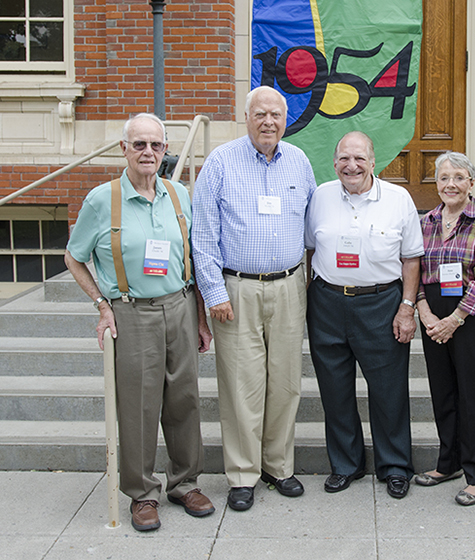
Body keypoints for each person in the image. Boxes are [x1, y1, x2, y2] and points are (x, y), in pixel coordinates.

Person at [64, 113, 215, 532]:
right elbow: (73, 257)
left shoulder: (179, 194)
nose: (148, 152)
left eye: (156, 145)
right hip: (131, 312)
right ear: (123, 149)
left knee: (184, 399)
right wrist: (101, 303)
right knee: (138, 406)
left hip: (181, 305)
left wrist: (200, 318)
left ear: (166, 151)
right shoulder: (102, 200)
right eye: (140, 145)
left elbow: (193, 261)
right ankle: (142, 493)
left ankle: (185, 483)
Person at [191, 86, 316, 512]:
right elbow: (203, 235)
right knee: (242, 386)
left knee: (285, 383)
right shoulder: (221, 163)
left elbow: (311, 228)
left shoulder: (299, 161)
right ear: (246, 118)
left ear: (285, 119)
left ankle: (278, 467)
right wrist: (213, 292)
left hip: (288, 286)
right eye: (260, 114)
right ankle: (243, 474)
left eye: (275, 115)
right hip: (236, 290)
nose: (268, 122)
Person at [305, 131, 424, 499]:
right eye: (343, 158)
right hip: (328, 302)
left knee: (388, 391)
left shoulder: (398, 198)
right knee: (335, 390)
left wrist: (407, 307)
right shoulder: (321, 196)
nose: (351, 166)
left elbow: (411, 258)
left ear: (374, 163)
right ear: (334, 162)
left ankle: (395, 466)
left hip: (381, 303)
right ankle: (346, 464)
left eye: (359, 159)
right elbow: (310, 249)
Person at [414, 152, 475, 506]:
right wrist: (423, 310)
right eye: (444, 178)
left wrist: (455, 319)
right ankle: (447, 462)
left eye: (459, 178)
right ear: (437, 183)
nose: (451, 184)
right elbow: (414, 268)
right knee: (442, 391)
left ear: (471, 183)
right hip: (433, 312)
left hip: (469, 314)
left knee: (473, 394)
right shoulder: (428, 220)